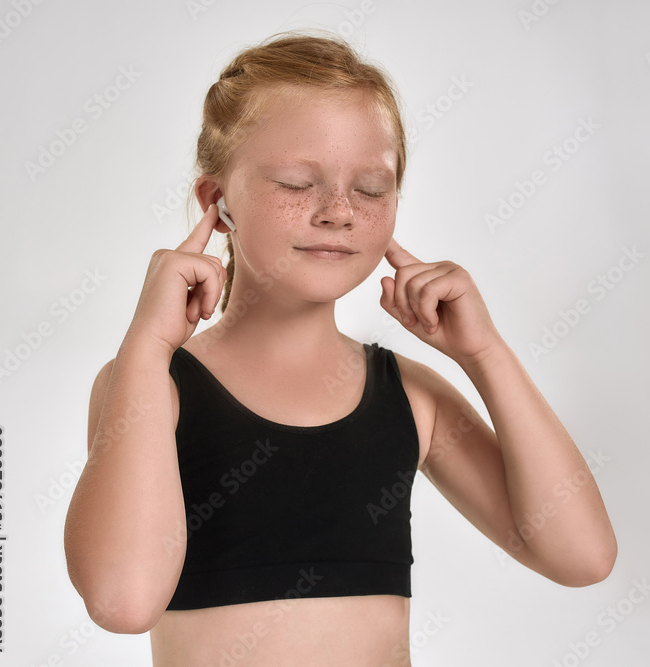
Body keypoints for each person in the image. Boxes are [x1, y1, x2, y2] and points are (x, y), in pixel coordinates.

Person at [63, 29, 616, 666]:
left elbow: (583, 557)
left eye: (373, 189)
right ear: (216, 203)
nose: (338, 211)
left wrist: (484, 354)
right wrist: (144, 346)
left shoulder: (410, 396)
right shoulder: (149, 385)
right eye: (298, 183)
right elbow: (122, 602)